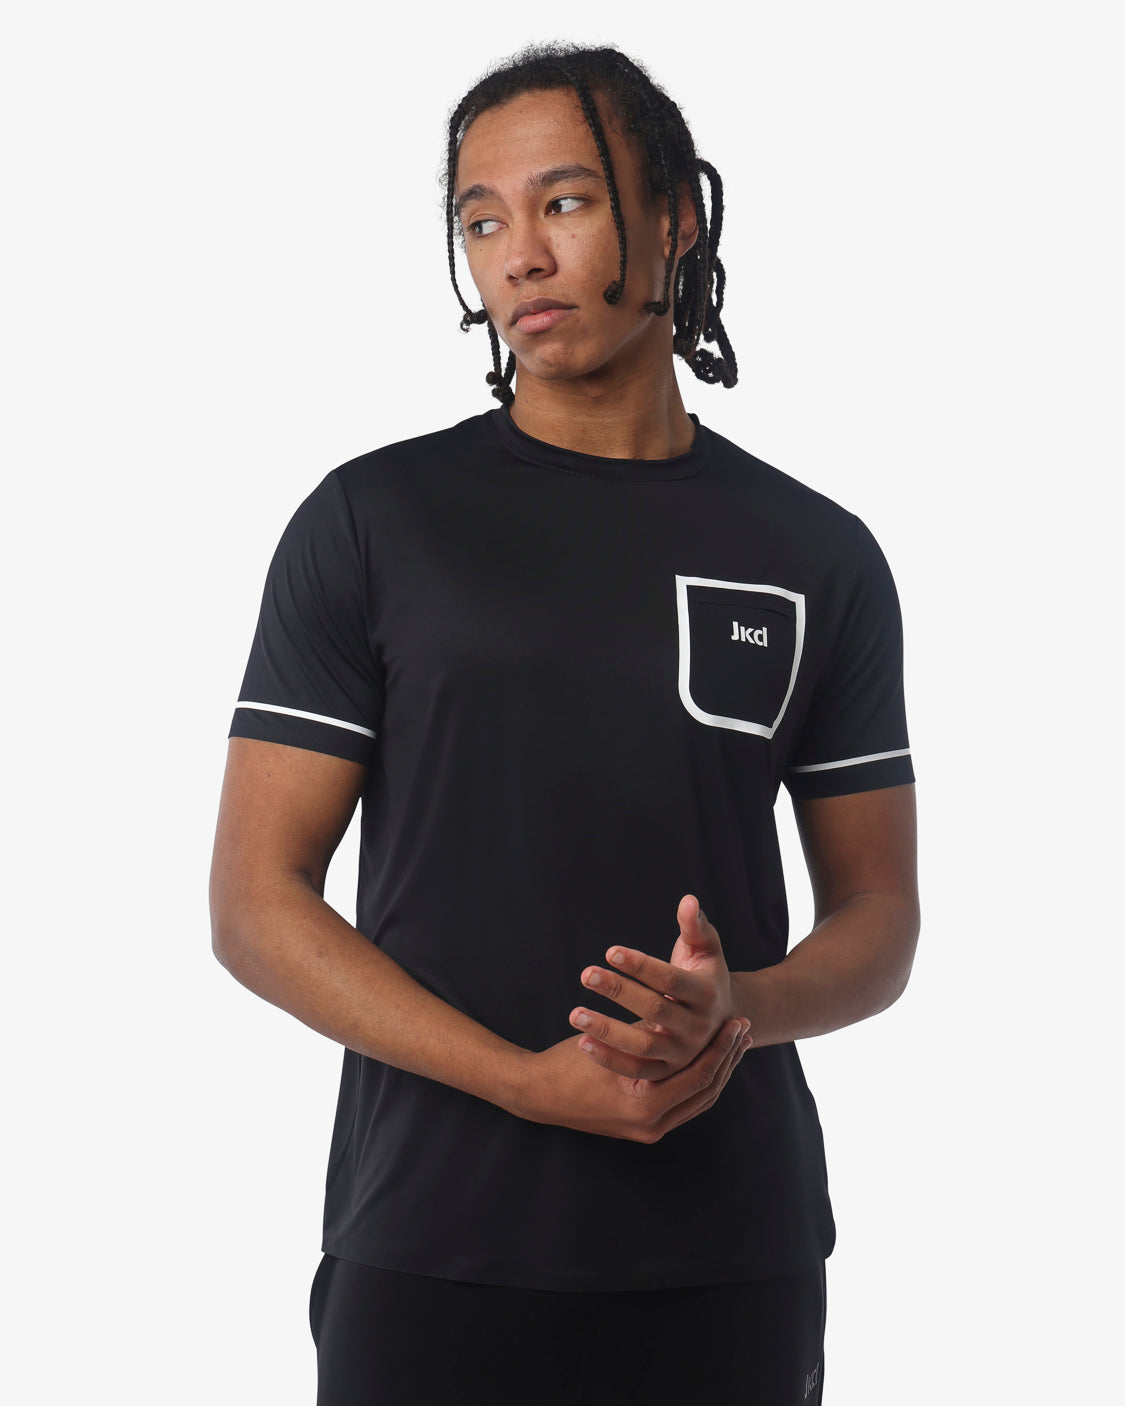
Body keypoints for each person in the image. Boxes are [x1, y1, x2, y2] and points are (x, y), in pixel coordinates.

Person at [209, 40, 919, 1406]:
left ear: (676, 219)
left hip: (731, 1253)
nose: (520, 255)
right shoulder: (373, 522)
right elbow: (253, 902)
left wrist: (741, 1008)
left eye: (566, 202)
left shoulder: (816, 553)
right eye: (480, 221)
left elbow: (880, 916)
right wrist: (518, 1081)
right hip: (433, 1243)